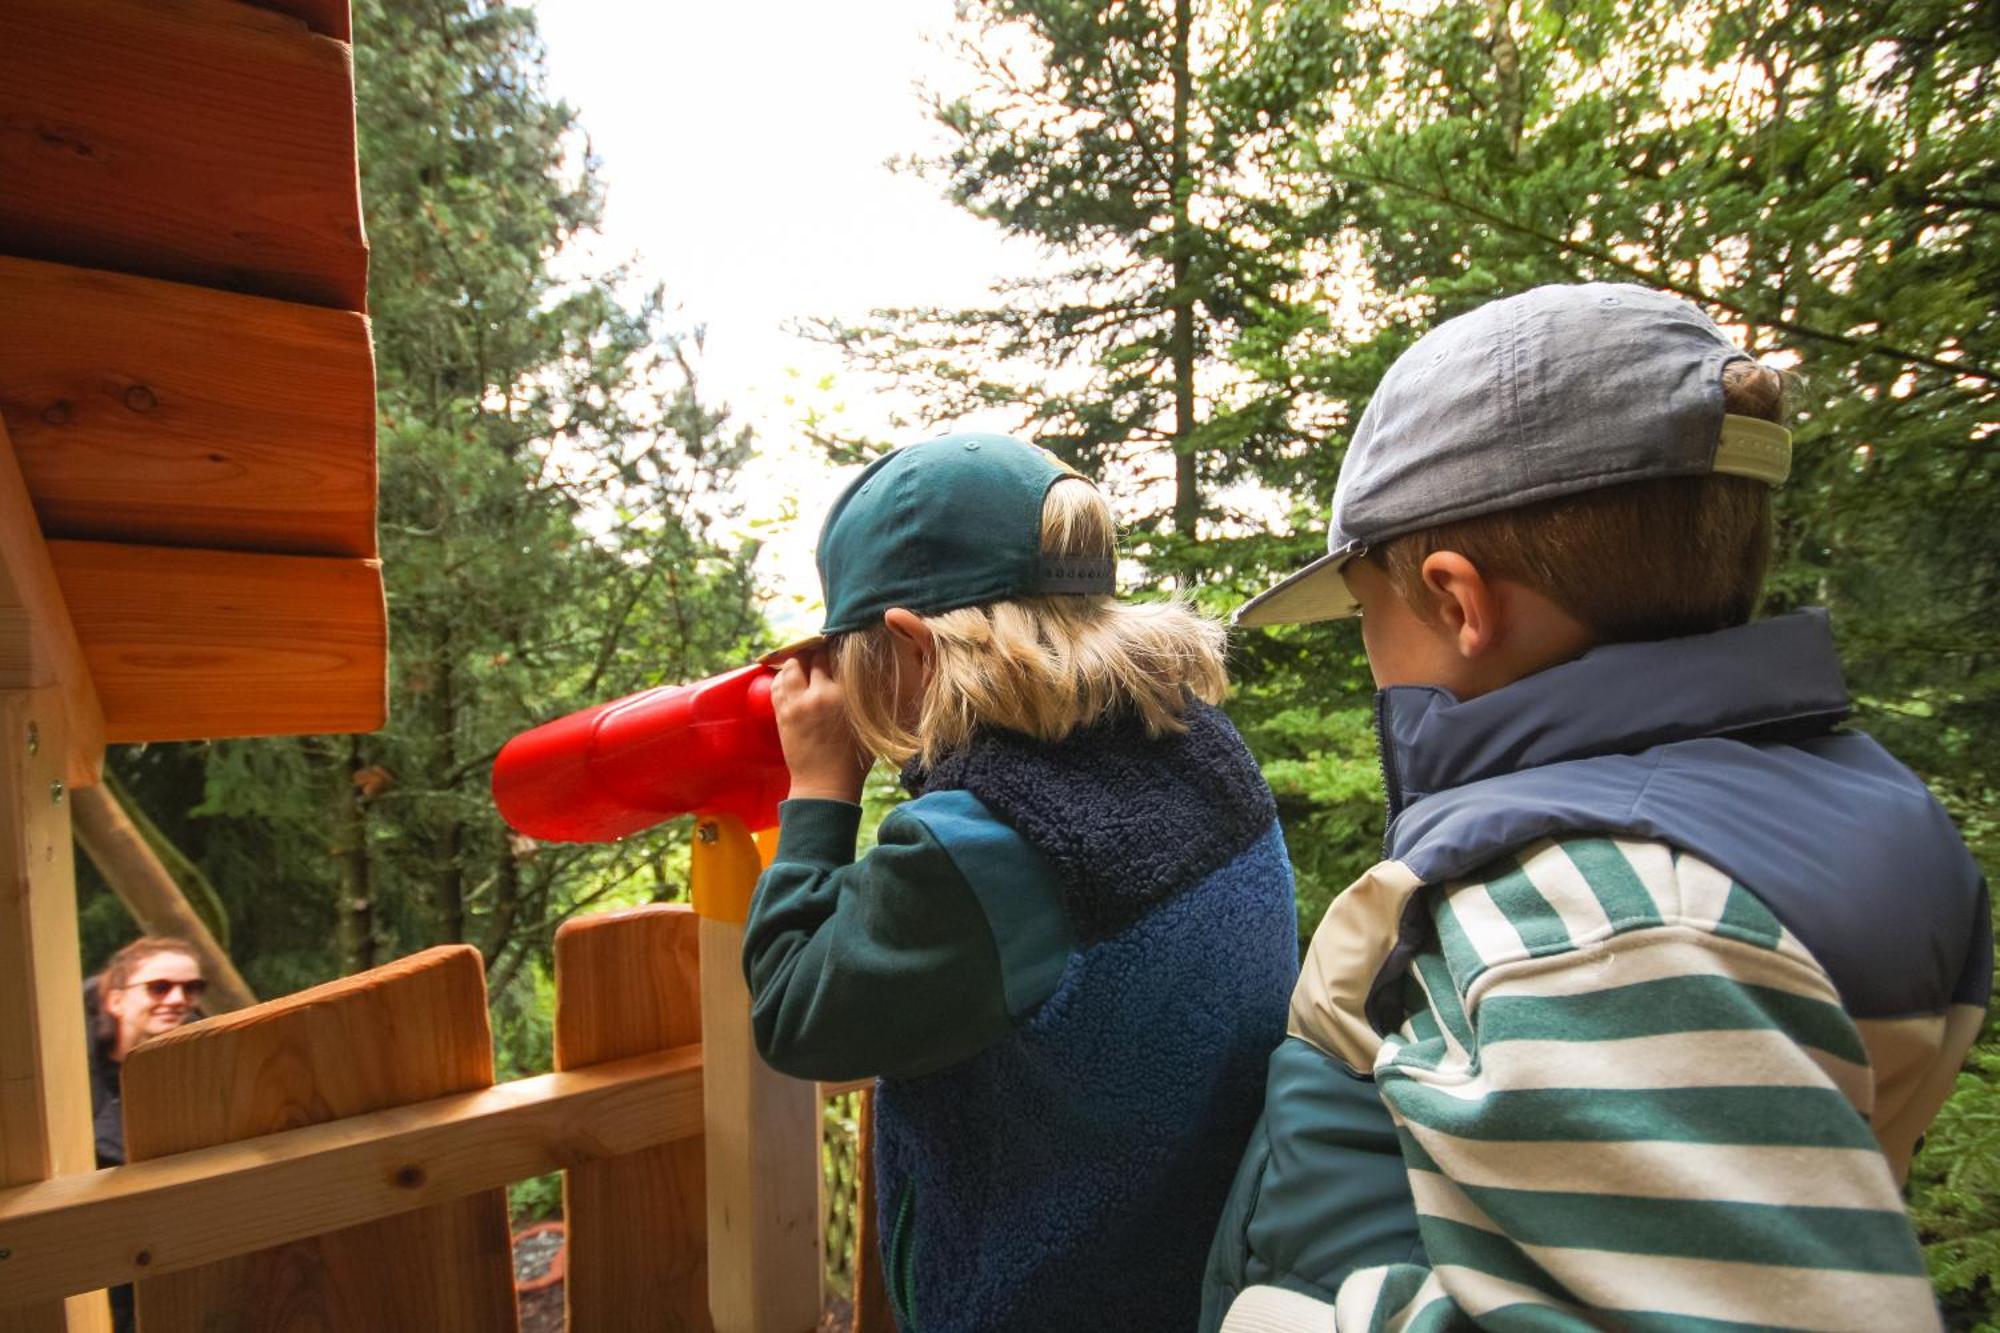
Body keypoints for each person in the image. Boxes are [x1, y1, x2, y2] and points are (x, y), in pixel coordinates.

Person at [1205, 283, 1990, 1330]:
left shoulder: (1592, 919)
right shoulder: (1815, 805)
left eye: (1363, 612)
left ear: (1455, 600)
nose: (1365, 655)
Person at [741, 433, 1299, 1332]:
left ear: (910, 647)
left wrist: (819, 788)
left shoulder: (985, 846)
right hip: (1198, 1268)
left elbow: (795, 1012)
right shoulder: (1201, 749)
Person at [87, 936, 206, 1333]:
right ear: (115, 1001)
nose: (178, 999)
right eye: (159, 987)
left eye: (192, 988)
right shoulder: (62, 1082)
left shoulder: (205, 1071)